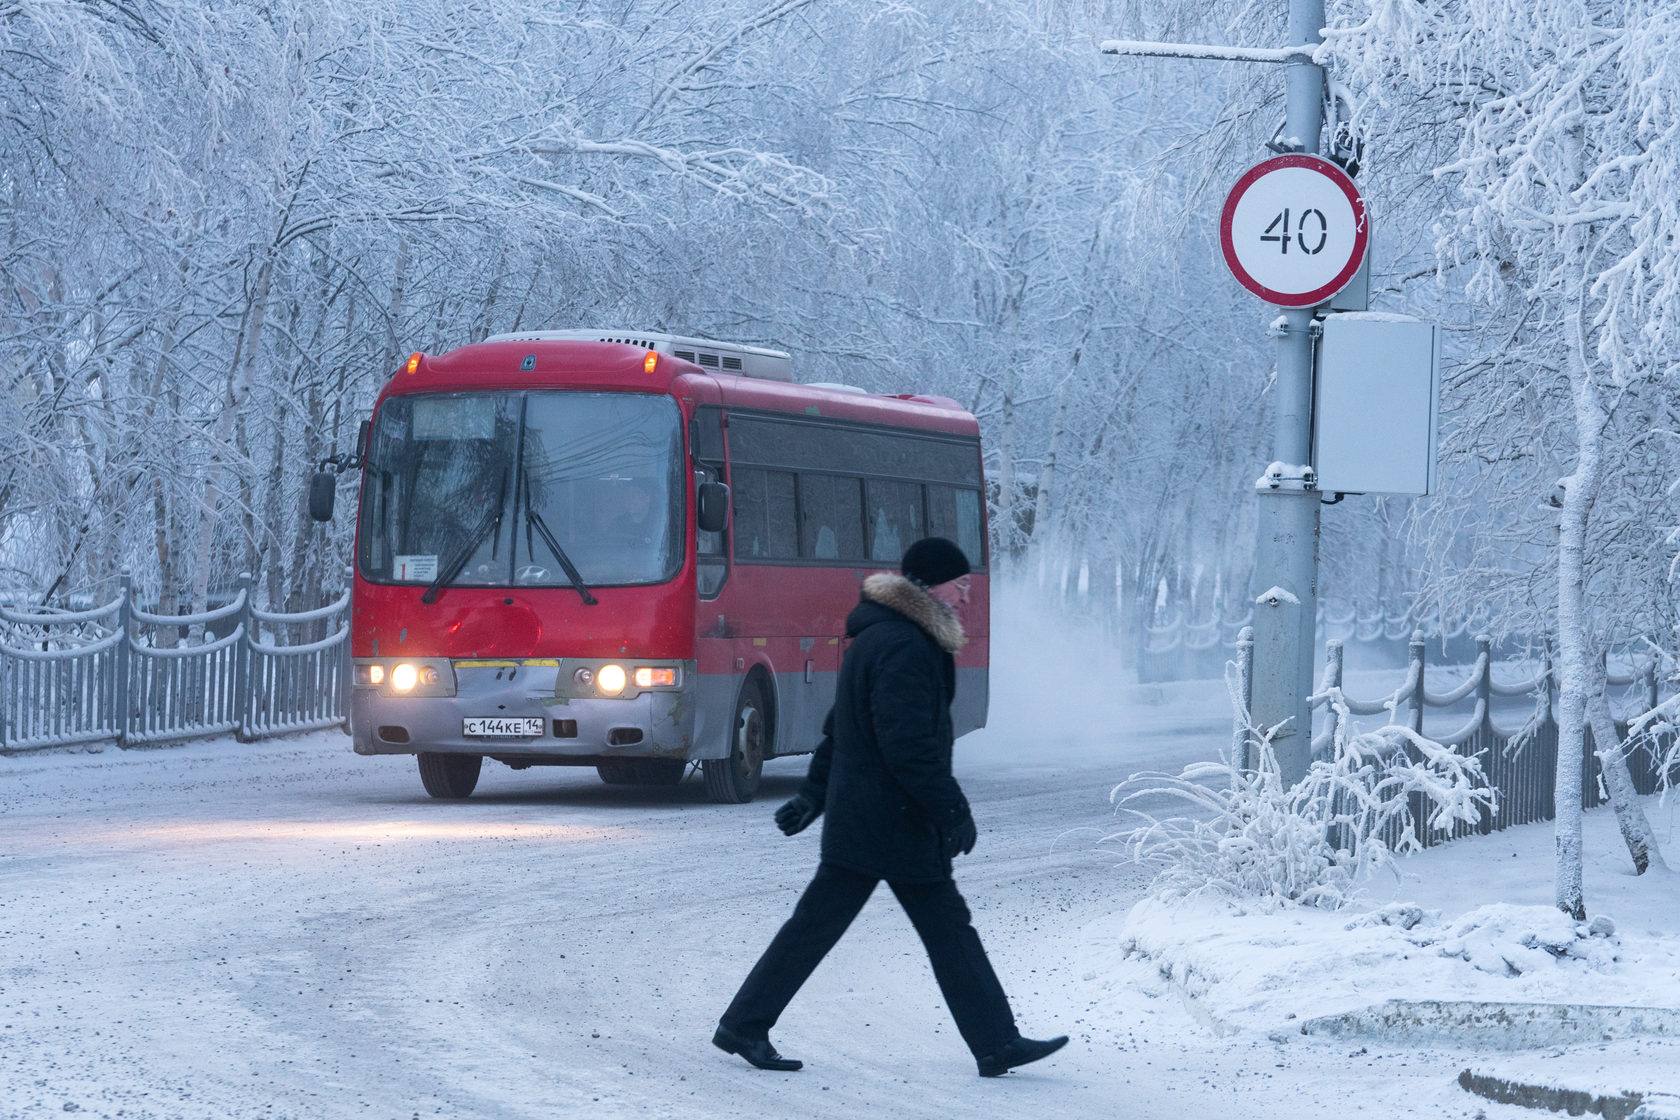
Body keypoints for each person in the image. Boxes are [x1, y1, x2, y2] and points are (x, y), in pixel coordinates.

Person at [713, 537, 1068, 1078]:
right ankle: (996, 1042)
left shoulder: (882, 636)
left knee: (854, 926)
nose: (969, 597)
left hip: (871, 820)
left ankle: (996, 1042)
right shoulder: (905, 645)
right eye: (961, 586)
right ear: (928, 588)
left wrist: (814, 795)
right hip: (891, 822)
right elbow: (908, 746)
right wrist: (952, 810)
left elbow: (840, 727)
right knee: (937, 928)